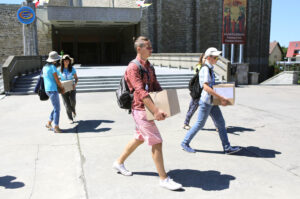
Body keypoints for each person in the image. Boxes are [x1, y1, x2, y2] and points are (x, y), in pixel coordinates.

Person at [113, 36, 182, 191]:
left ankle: (118, 162)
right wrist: (156, 110)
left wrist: (166, 102)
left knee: (139, 138)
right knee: (156, 141)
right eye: (148, 47)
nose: (151, 49)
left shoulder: (149, 66)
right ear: (139, 48)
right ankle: (164, 179)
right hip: (140, 109)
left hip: (147, 108)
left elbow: (155, 86)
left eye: (151, 47)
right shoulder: (133, 67)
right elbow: (140, 91)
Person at [181, 47, 242, 154]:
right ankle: (185, 143)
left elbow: (211, 86)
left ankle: (227, 147)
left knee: (221, 123)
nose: (217, 59)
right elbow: (205, 87)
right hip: (206, 101)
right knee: (200, 124)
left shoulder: (210, 68)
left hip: (211, 101)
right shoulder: (205, 69)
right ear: (209, 57)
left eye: (217, 57)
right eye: (215, 57)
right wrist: (221, 96)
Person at [44, 51, 65, 133]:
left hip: (47, 90)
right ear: (54, 60)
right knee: (57, 109)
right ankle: (56, 127)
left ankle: (49, 123)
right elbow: (57, 80)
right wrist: (62, 88)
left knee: (56, 107)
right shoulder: (52, 67)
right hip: (53, 89)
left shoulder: (44, 67)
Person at [183, 54, 205, 130]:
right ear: (202, 59)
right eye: (204, 58)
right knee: (192, 108)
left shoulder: (208, 67)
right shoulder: (200, 67)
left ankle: (218, 125)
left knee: (212, 109)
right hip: (198, 92)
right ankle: (186, 123)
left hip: (205, 92)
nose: (206, 60)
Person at [58, 54, 78, 123]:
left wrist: (75, 84)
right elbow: (56, 79)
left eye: (68, 61)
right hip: (63, 88)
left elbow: (76, 78)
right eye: (65, 61)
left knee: (73, 101)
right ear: (62, 61)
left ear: (69, 61)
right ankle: (70, 118)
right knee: (67, 104)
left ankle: (73, 110)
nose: (66, 62)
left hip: (72, 87)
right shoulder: (59, 69)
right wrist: (59, 85)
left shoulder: (72, 69)